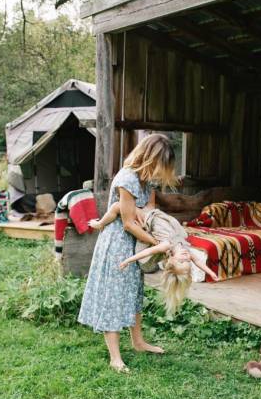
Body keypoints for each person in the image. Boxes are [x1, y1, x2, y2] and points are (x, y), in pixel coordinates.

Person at [78, 134, 178, 373]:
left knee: (133, 292)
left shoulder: (146, 180)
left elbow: (150, 207)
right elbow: (128, 224)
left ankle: (138, 342)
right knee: (113, 296)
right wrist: (160, 245)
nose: (161, 171)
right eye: (160, 164)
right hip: (117, 244)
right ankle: (115, 357)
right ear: (150, 158)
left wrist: (149, 216)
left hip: (135, 244)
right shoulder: (127, 179)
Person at [89, 202, 219, 315]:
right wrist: (211, 272)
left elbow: (147, 252)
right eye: (187, 261)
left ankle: (100, 224)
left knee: (117, 207)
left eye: (181, 261)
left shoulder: (166, 245)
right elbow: (198, 262)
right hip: (161, 217)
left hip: (149, 218)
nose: (186, 257)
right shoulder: (186, 250)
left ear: (172, 260)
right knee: (142, 203)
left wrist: (128, 260)